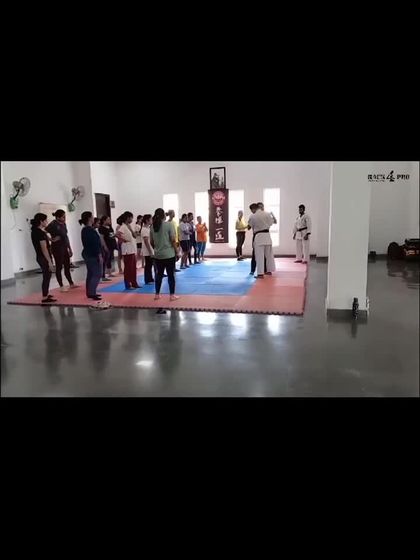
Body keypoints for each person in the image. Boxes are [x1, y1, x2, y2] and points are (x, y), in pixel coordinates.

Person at [150, 208, 180, 301]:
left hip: (158, 255)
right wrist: (177, 252)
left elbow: (151, 242)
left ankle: (157, 294)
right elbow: (173, 240)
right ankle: (172, 295)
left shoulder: (152, 227)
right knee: (171, 275)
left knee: (159, 275)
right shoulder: (169, 225)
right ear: (164, 215)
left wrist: (157, 249)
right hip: (169, 254)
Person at [79, 211, 109, 307]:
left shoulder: (85, 230)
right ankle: (92, 293)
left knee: (91, 273)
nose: (93, 218)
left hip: (88, 253)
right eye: (92, 217)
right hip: (92, 255)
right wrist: (99, 255)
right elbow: (95, 244)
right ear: (89, 218)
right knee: (97, 273)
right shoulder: (90, 230)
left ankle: (90, 292)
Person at [46, 209, 77, 293]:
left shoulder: (63, 224)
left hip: (64, 247)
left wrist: (69, 248)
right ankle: (61, 286)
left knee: (67, 265)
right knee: (59, 267)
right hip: (57, 248)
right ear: (58, 217)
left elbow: (66, 237)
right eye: (63, 217)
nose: (64, 218)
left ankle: (71, 283)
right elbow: (44, 232)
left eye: (65, 216)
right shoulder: (53, 224)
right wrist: (51, 239)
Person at [31, 213, 57, 304]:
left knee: (47, 276)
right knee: (47, 276)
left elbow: (47, 238)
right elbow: (44, 248)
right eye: (45, 220)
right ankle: (45, 297)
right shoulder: (40, 233)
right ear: (41, 221)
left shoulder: (36, 231)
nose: (47, 222)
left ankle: (46, 294)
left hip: (40, 257)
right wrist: (49, 262)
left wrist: (52, 239)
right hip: (43, 257)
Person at [248, 204, 276, 278]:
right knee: (269, 255)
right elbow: (271, 223)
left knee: (259, 256)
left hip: (259, 236)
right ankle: (269, 271)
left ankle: (260, 274)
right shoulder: (267, 214)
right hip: (267, 236)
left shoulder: (253, 216)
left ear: (253, 209)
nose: (252, 212)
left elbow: (249, 226)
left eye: (251, 210)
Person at [119, 211, 140, 290]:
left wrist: (131, 229)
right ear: (128, 218)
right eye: (131, 218)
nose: (132, 219)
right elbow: (117, 234)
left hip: (132, 249)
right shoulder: (123, 226)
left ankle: (134, 283)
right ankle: (128, 284)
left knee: (133, 268)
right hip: (127, 250)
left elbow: (134, 236)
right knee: (128, 268)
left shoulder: (129, 226)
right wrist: (123, 239)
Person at [141, 214, 155, 284]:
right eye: (151, 219)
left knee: (150, 265)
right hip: (147, 250)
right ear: (147, 220)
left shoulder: (148, 228)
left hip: (150, 249)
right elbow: (146, 241)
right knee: (148, 265)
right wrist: (150, 252)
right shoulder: (144, 229)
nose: (152, 220)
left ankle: (150, 278)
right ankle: (147, 280)